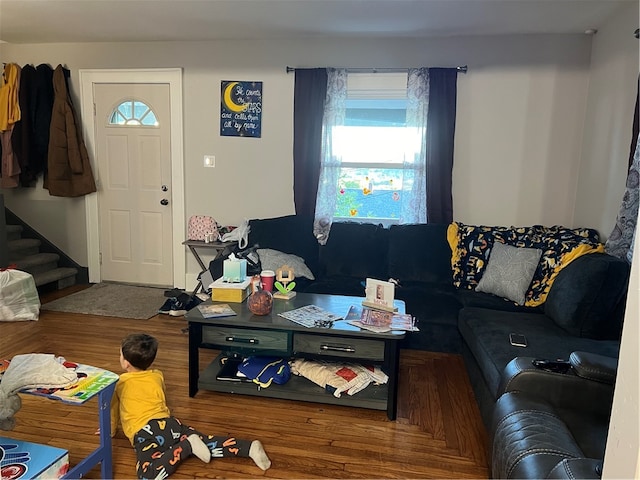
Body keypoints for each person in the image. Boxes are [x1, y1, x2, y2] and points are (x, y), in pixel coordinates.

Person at [110, 333, 271, 479]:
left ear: (126, 363)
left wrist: (110, 431)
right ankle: (248, 448)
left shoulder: (119, 384)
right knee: (207, 443)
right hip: (170, 424)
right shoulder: (157, 376)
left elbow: (113, 409)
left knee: (147, 474)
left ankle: (187, 446)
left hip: (145, 433)